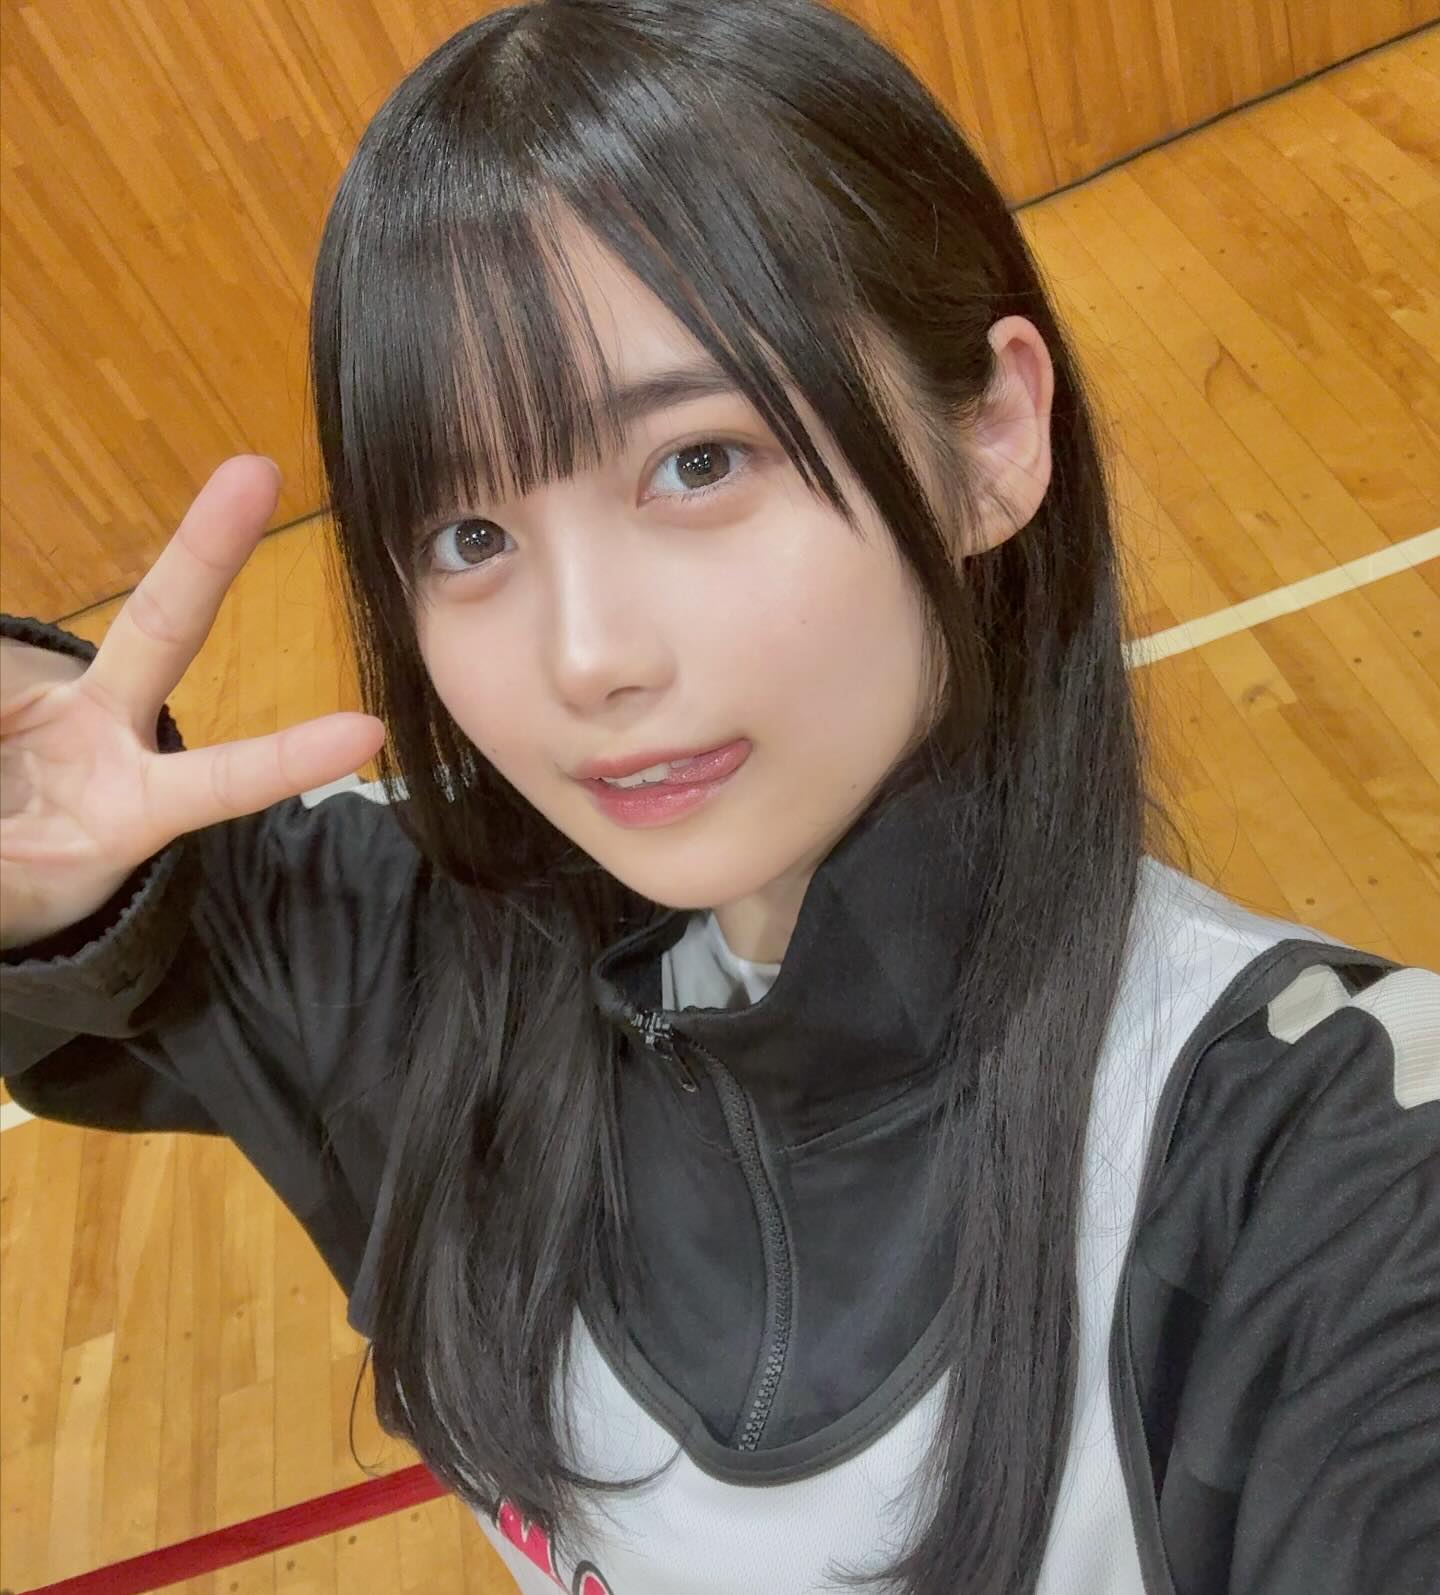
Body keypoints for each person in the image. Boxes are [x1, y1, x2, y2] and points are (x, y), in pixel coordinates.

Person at [1, 2, 1435, 1592]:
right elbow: (90, 986)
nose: (587, 659)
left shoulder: (1320, 1174)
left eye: (696, 462)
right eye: (471, 538)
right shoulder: (412, 971)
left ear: (992, 434)